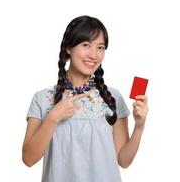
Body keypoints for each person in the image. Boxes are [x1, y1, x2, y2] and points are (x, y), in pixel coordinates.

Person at [22, 15, 148, 182]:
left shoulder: (112, 97)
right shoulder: (43, 98)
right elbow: (28, 159)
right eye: (86, 45)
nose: (93, 55)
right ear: (68, 47)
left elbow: (123, 161)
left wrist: (139, 126)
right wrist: (53, 118)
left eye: (100, 47)